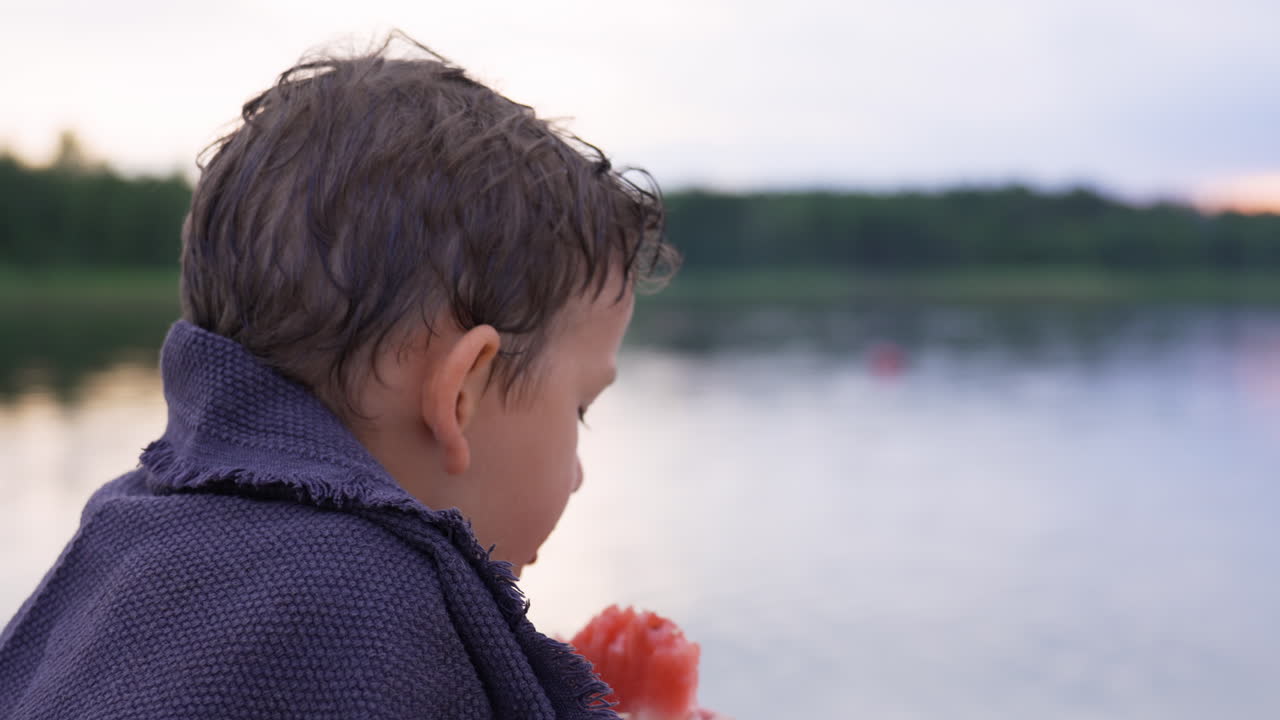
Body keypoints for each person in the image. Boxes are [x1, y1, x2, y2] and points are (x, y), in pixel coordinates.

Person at [0, 31, 680, 719]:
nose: (578, 473)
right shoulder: (380, 611)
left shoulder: (120, 532)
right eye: (581, 409)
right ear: (462, 393)